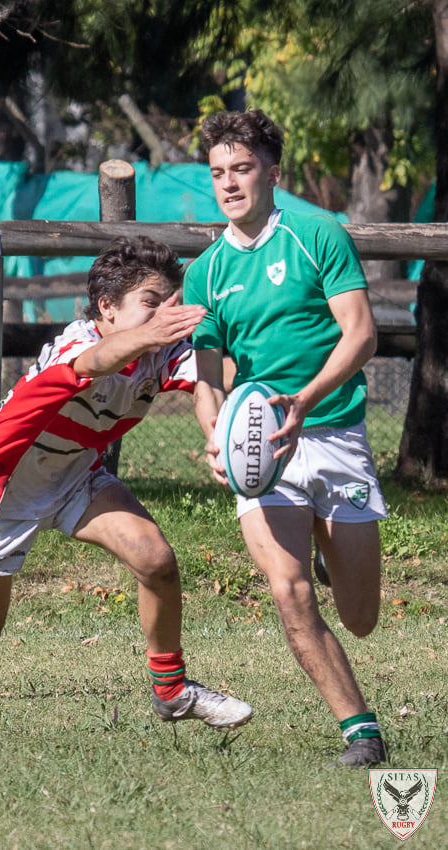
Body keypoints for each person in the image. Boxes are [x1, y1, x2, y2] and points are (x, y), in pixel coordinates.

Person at [0, 235, 253, 754]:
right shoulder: (79, 343)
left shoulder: (161, 351)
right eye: (151, 303)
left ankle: (171, 690)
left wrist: (262, 391)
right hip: (1, 488)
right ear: (107, 308)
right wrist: (153, 335)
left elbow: (215, 375)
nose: (167, 315)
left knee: (156, 560)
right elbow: (96, 362)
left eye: (172, 302)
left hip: (75, 476)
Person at [183, 109, 388, 767]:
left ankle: (334, 557)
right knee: (288, 590)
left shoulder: (316, 235)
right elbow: (207, 380)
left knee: (361, 616)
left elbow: (360, 333)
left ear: (272, 172)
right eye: (218, 173)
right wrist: (217, 438)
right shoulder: (206, 274)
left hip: (333, 434)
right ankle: (361, 733)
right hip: (262, 453)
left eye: (241, 169)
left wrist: (302, 401)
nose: (229, 183)